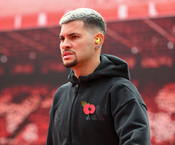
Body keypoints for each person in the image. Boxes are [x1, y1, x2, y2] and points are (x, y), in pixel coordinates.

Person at [46, 8, 150, 145]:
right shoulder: (60, 95)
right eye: (62, 39)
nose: (64, 44)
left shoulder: (120, 90)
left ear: (97, 40)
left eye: (74, 37)